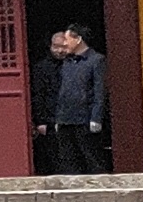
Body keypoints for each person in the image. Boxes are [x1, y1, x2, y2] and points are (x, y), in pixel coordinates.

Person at [38, 27, 111, 176]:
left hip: (84, 118)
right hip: (65, 118)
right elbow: (62, 92)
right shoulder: (67, 62)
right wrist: (57, 118)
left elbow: (99, 91)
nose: (64, 44)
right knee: (68, 160)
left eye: (67, 40)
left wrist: (96, 117)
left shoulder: (96, 60)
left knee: (91, 157)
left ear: (78, 40)